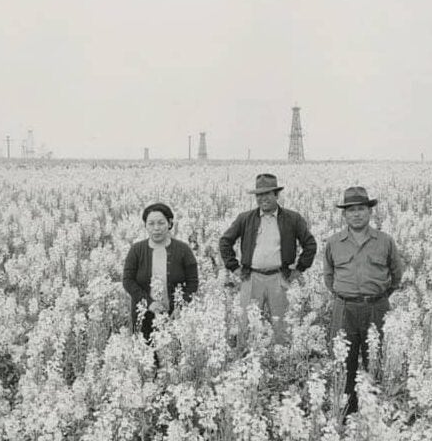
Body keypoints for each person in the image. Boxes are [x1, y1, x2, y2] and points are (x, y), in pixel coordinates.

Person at [323, 185, 403, 418]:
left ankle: (372, 415)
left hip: (376, 307)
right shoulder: (334, 242)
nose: (356, 214)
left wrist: (378, 297)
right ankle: (346, 414)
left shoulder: (385, 241)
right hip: (344, 308)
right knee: (343, 363)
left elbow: (396, 274)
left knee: (375, 360)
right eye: (351, 210)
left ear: (370, 212)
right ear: (344, 215)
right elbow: (329, 276)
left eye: (361, 209)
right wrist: (344, 295)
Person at [218, 173, 317, 342]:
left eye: (267, 194)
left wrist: (299, 269)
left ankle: (281, 361)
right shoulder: (245, 218)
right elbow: (225, 242)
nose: (263, 199)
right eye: (259, 195)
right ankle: (246, 358)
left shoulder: (293, 218)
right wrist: (234, 268)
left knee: (282, 325)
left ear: (276, 195)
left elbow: (310, 244)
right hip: (251, 277)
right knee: (246, 324)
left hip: (279, 277)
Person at [123, 202, 199, 342]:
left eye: (161, 223)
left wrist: (181, 307)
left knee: (173, 356)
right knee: (146, 356)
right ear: (145, 225)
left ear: (170, 224)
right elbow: (128, 281)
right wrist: (148, 303)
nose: (156, 228)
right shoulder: (136, 250)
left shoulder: (183, 250)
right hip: (144, 316)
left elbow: (193, 283)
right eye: (151, 223)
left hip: (175, 317)